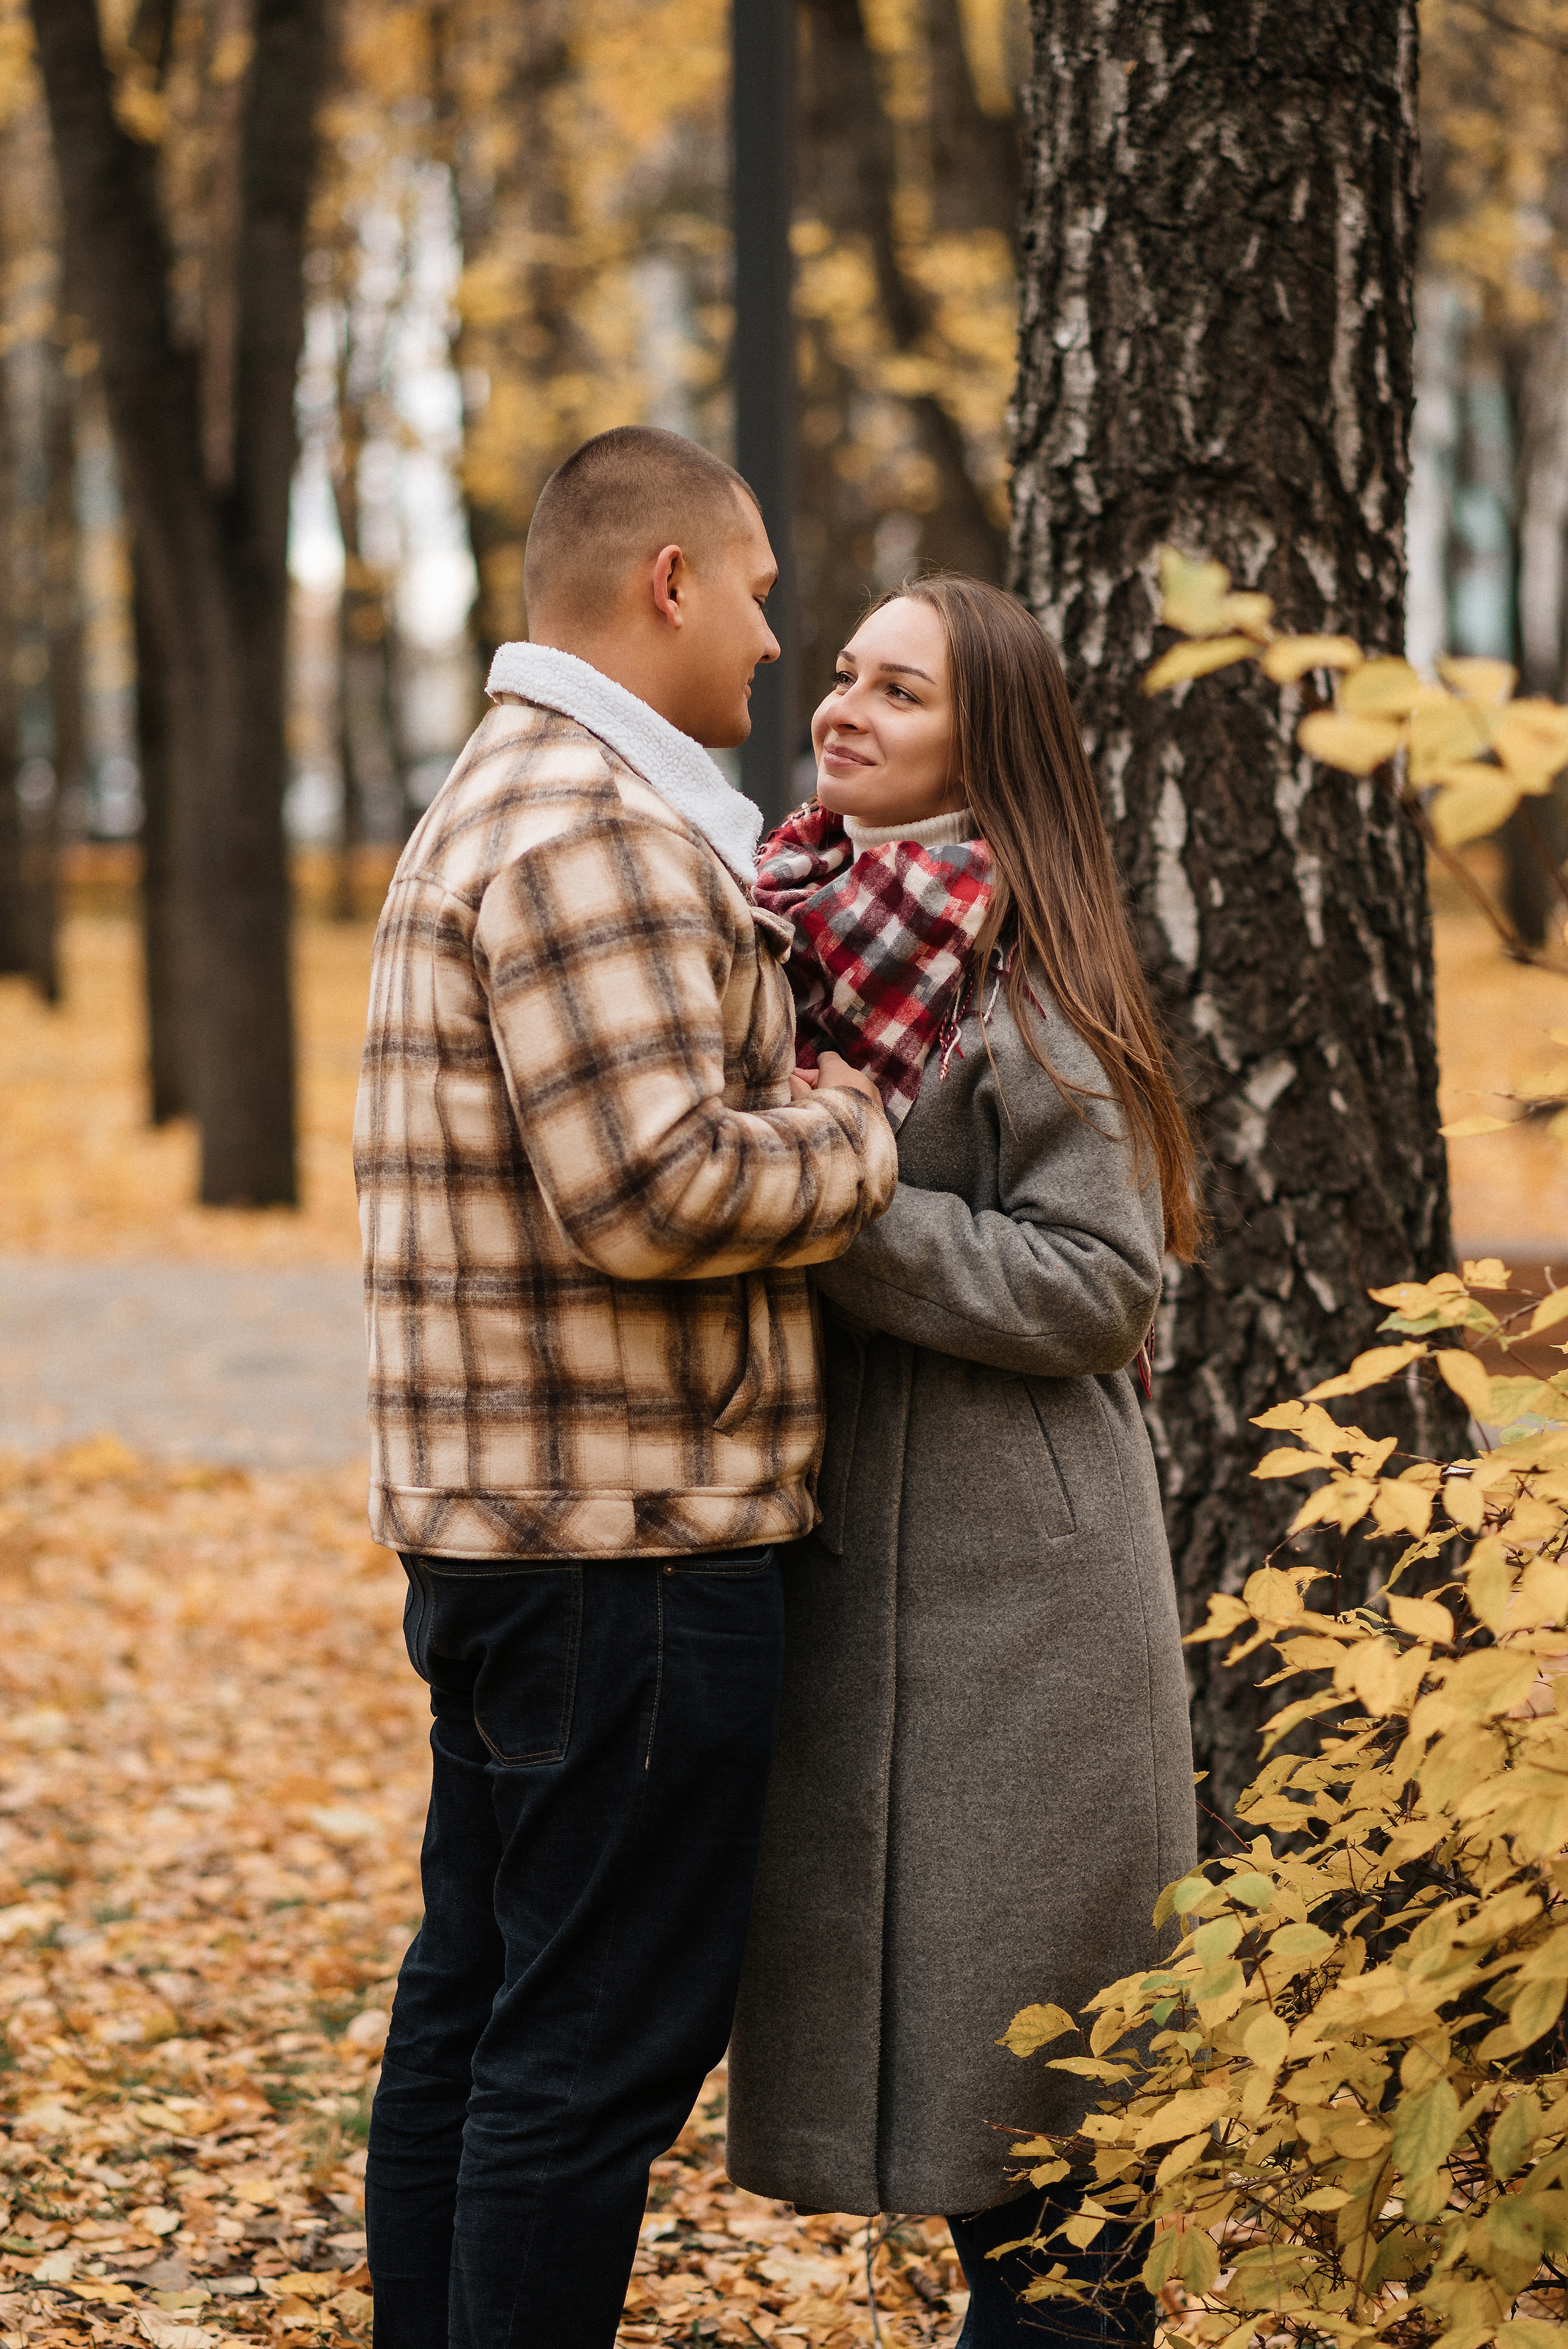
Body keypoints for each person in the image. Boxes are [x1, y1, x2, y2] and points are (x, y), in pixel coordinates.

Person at [352, 425, 897, 2348]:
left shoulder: (512, 796)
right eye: (757, 588)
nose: (774, 641)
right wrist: (853, 1135)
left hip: (541, 1543)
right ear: (668, 579)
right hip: (626, 1556)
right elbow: (657, 1188)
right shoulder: (591, 823)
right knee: (581, 2060)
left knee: (488, 2013)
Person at [726, 575, 1201, 2344]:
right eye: (841, 672)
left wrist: (836, 1208)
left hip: (1034, 1627)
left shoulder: (1033, 965)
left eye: (896, 692)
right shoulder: (794, 918)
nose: (841, 705)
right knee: (978, 2134)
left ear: (982, 741)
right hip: (888, 1602)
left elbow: (1101, 1282)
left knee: (1055, 2156)